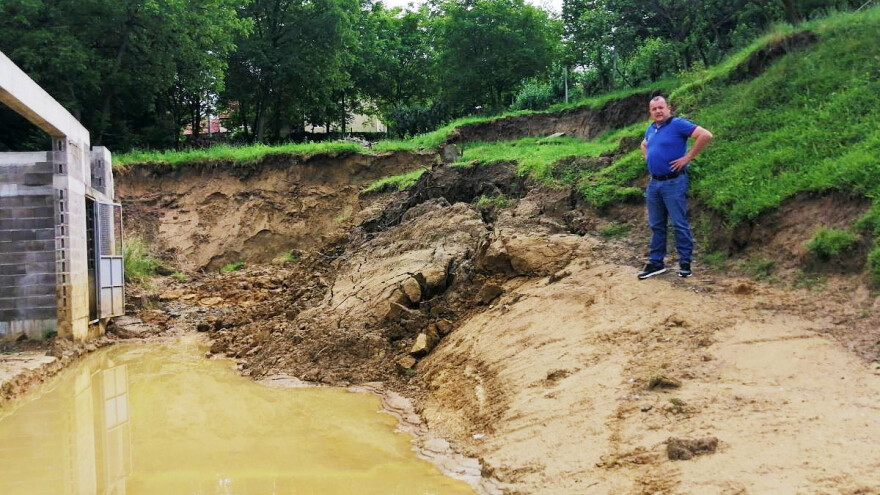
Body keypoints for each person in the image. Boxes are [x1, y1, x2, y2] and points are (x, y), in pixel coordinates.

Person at [638, 96, 713, 279]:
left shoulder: (678, 124)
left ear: (668, 108)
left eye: (661, 107)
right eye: (654, 109)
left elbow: (705, 135)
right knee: (656, 224)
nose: (658, 111)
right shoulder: (651, 128)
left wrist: (688, 158)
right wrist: (648, 157)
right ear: (650, 112)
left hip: (673, 182)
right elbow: (644, 144)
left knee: (679, 223)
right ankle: (656, 263)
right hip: (654, 183)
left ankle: (685, 263)